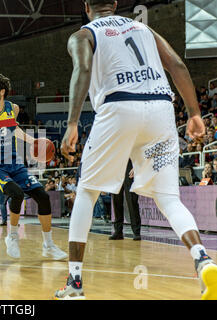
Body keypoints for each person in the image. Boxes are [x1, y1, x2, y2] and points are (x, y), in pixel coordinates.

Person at [55, 0, 217, 300]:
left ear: (86, 6)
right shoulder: (144, 28)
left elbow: (84, 68)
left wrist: (73, 121)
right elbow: (178, 65)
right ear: (115, 4)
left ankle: (74, 283)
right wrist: (194, 113)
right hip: (160, 109)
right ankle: (203, 259)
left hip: (119, 107)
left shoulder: (84, 34)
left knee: (88, 192)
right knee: (169, 198)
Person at [0, 73, 67, 260]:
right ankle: (12, 236)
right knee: (16, 193)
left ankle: (48, 245)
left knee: (42, 197)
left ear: (2, 91)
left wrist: (33, 140)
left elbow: (13, 128)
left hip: (15, 164)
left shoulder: (13, 108)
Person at [109, 160, 142, 240]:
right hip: (116, 166)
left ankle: (136, 232)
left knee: (132, 200)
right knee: (116, 200)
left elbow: (138, 150)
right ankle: (118, 231)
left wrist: (136, 166)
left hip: (129, 164)